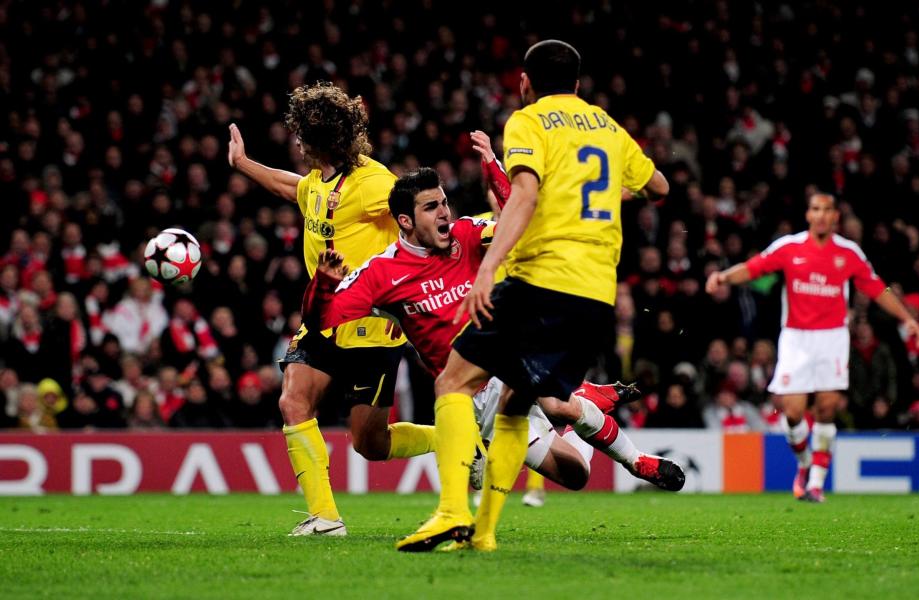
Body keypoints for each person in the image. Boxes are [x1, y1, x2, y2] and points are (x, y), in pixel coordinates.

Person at [400, 40, 672, 552]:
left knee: (453, 382)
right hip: (597, 297)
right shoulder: (608, 127)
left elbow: (522, 196)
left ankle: (452, 512)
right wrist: (604, 190)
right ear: (578, 82)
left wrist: (487, 274)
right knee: (513, 404)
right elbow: (657, 186)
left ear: (525, 82)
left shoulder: (528, 122)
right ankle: (483, 534)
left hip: (540, 280)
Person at [307, 168, 672, 499]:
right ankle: (583, 398)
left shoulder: (466, 233)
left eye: (444, 202)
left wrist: (495, 170)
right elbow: (319, 319)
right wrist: (324, 283)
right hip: (475, 399)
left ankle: (636, 460)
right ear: (405, 220)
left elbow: (523, 225)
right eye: (431, 207)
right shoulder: (380, 274)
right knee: (577, 473)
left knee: (554, 402)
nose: (444, 213)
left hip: (508, 355)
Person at [227, 81, 408, 537]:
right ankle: (325, 518)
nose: (297, 143)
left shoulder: (373, 184)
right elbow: (295, 189)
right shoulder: (319, 181)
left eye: (300, 136)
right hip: (325, 316)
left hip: (372, 324)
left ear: (312, 140)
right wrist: (244, 164)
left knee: (370, 443)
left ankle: (462, 443)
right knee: (293, 399)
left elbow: (416, 210)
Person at [706, 193, 919, 502]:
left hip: (832, 338)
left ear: (835, 216)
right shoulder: (789, 247)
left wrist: (908, 319)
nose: (821, 215)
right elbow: (755, 267)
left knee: (826, 408)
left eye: (827, 210)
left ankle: (817, 484)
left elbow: (877, 286)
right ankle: (804, 464)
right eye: (815, 209)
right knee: (793, 411)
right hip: (796, 338)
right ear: (808, 215)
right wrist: (724, 277)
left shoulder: (848, 253)